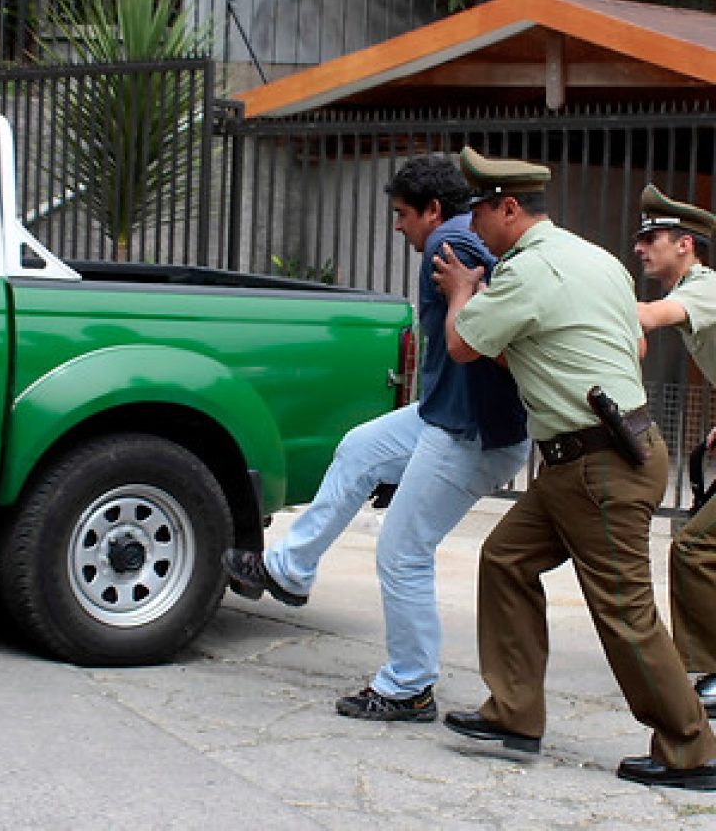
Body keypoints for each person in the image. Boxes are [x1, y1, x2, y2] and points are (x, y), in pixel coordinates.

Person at [432, 147, 716, 791]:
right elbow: (629, 344)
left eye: (478, 210)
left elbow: (461, 343)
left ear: (508, 208)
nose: (471, 224)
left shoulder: (524, 274)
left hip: (598, 464)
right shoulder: (597, 260)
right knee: (505, 558)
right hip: (590, 458)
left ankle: (692, 750)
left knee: (624, 610)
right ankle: (514, 716)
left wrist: (461, 294)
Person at [222, 154, 529, 723]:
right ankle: (291, 569)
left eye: (401, 214)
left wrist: (474, 290)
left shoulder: (453, 244)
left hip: (470, 433)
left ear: (431, 210)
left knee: (403, 553)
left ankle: (409, 687)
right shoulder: (463, 237)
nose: (397, 226)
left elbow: (501, 308)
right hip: (444, 416)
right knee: (361, 447)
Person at [633, 182, 716, 719]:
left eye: (653, 238)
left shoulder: (703, 288)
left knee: (693, 546)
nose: (641, 248)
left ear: (684, 245)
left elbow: (648, 318)